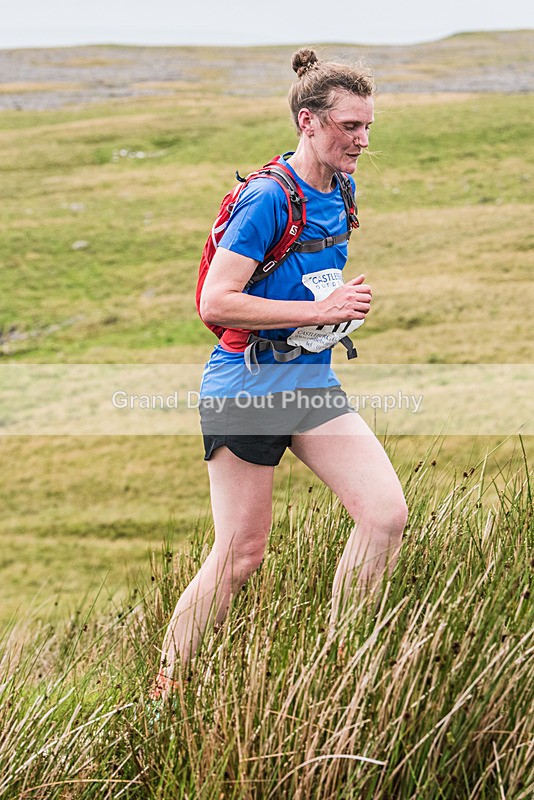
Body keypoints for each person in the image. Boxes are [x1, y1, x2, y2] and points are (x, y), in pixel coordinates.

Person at [151, 48, 408, 699]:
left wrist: (335, 312)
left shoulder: (342, 190)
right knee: (240, 556)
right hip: (246, 389)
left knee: (384, 516)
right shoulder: (267, 198)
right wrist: (317, 308)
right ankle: (165, 692)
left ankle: (339, 670)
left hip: (310, 386)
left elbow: (303, 287)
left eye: (369, 126)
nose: (363, 140)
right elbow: (216, 300)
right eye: (350, 126)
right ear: (309, 122)